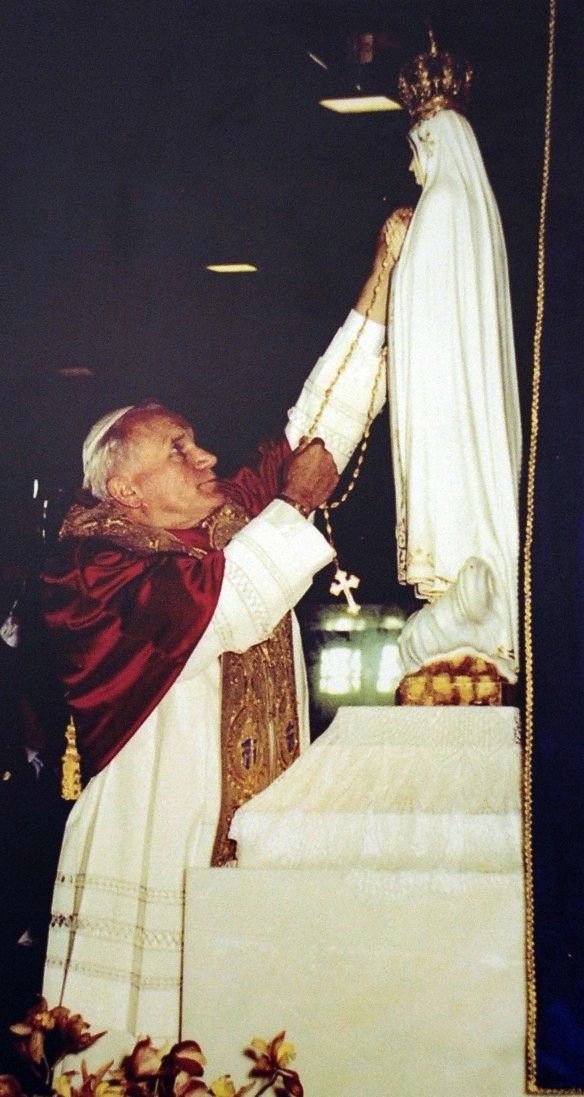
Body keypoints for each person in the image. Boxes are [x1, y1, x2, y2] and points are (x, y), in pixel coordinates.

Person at [40, 218, 408, 1045]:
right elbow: (223, 604)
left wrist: (382, 278)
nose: (205, 457)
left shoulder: (226, 528)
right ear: (127, 490)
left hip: (246, 833)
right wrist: (298, 504)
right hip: (150, 835)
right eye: (180, 448)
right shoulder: (89, 566)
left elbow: (317, 429)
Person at [387, 45, 522, 682]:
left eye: (417, 151)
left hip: (444, 409)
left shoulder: (442, 209)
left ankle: (470, 602)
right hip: (451, 404)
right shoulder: (464, 210)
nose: (414, 169)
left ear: (435, 144)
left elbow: (429, 329)